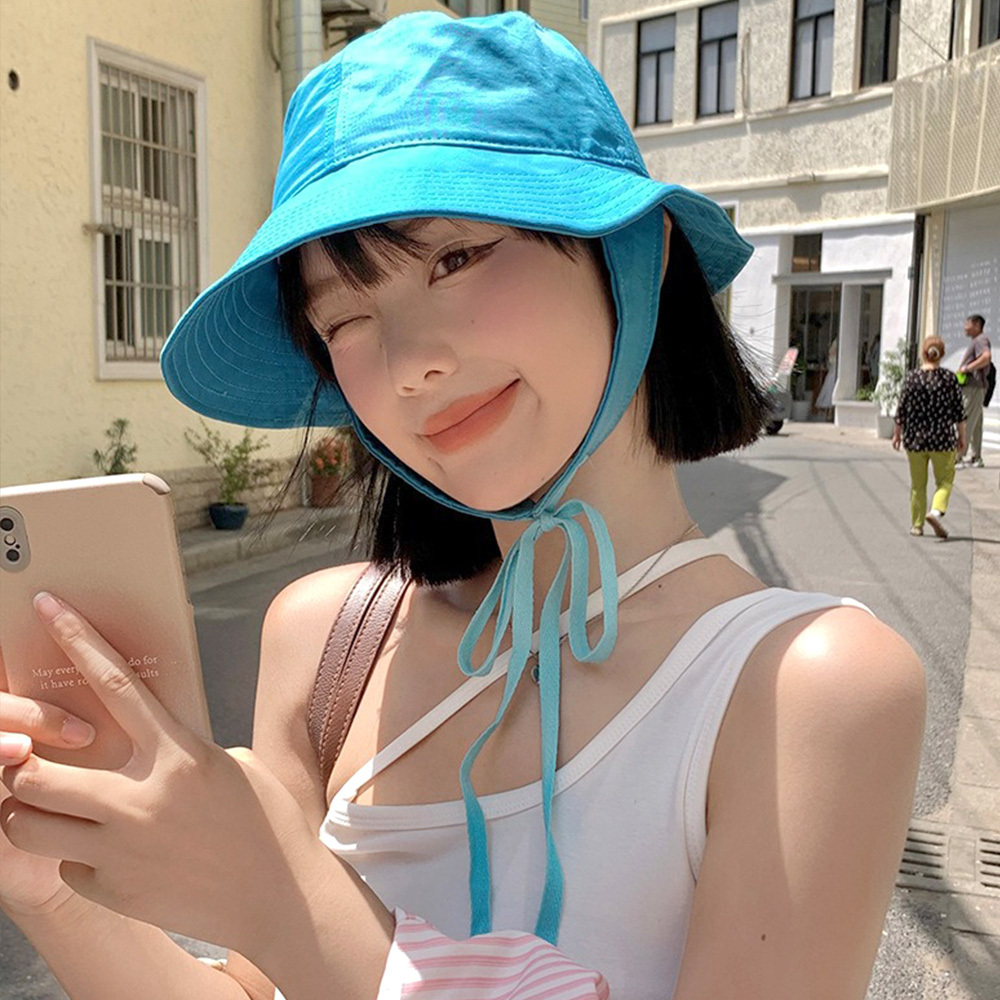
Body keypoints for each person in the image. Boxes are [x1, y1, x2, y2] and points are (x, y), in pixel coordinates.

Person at [0, 14, 926, 1000]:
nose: (410, 363)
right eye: (345, 318)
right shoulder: (328, 642)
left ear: (638, 252)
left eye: (455, 260)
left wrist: (278, 893)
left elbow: (291, 932)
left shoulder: (807, 687)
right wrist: (53, 895)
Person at [892, 336, 967, 537]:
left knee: (918, 485)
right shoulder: (949, 379)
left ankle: (917, 525)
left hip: (915, 440)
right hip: (942, 440)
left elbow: (901, 410)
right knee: (945, 480)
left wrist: (897, 434)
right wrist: (962, 436)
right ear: (941, 354)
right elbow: (959, 412)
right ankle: (935, 512)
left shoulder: (911, 378)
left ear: (923, 353)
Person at [956, 314, 992, 469]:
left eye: (967, 324)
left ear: (977, 325)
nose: (965, 327)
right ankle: (976, 457)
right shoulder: (979, 340)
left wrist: (967, 368)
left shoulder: (980, 340)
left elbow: (986, 357)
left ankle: (957, 457)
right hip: (977, 387)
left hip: (973, 387)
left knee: (966, 420)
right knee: (976, 423)